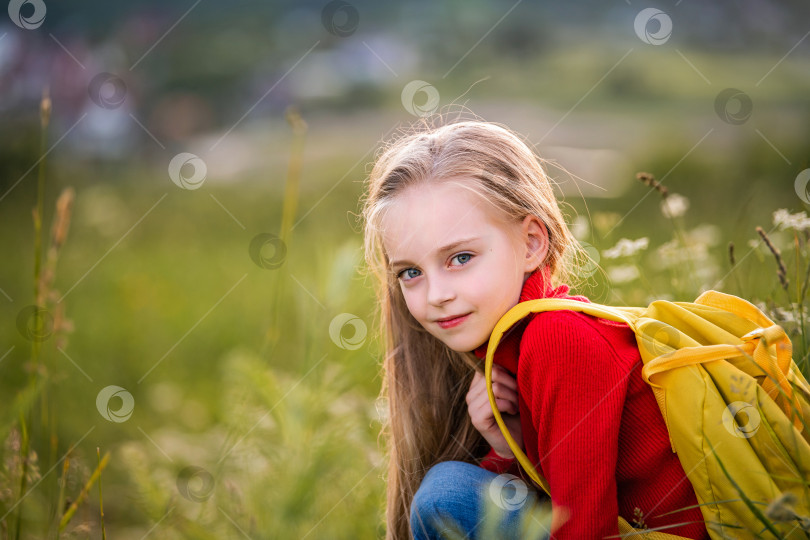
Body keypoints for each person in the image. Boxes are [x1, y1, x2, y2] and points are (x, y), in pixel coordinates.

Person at [360, 119, 710, 540]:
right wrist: (512, 448)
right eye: (411, 271)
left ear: (530, 243)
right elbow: (556, 495)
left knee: (447, 495)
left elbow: (585, 527)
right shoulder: (512, 346)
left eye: (460, 257)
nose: (435, 294)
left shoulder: (559, 337)